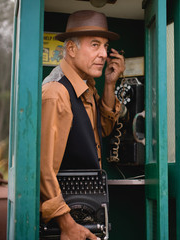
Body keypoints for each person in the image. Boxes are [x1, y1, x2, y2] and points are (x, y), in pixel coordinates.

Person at [40, 10, 125, 239]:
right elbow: (43, 169)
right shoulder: (56, 93)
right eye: (95, 45)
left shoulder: (86, 88)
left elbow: (100, 132)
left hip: (86, 210)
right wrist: (67, 224)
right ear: (71, 49)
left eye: (105, 46)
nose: (104, 54)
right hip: (66, 222)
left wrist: (109, 85)